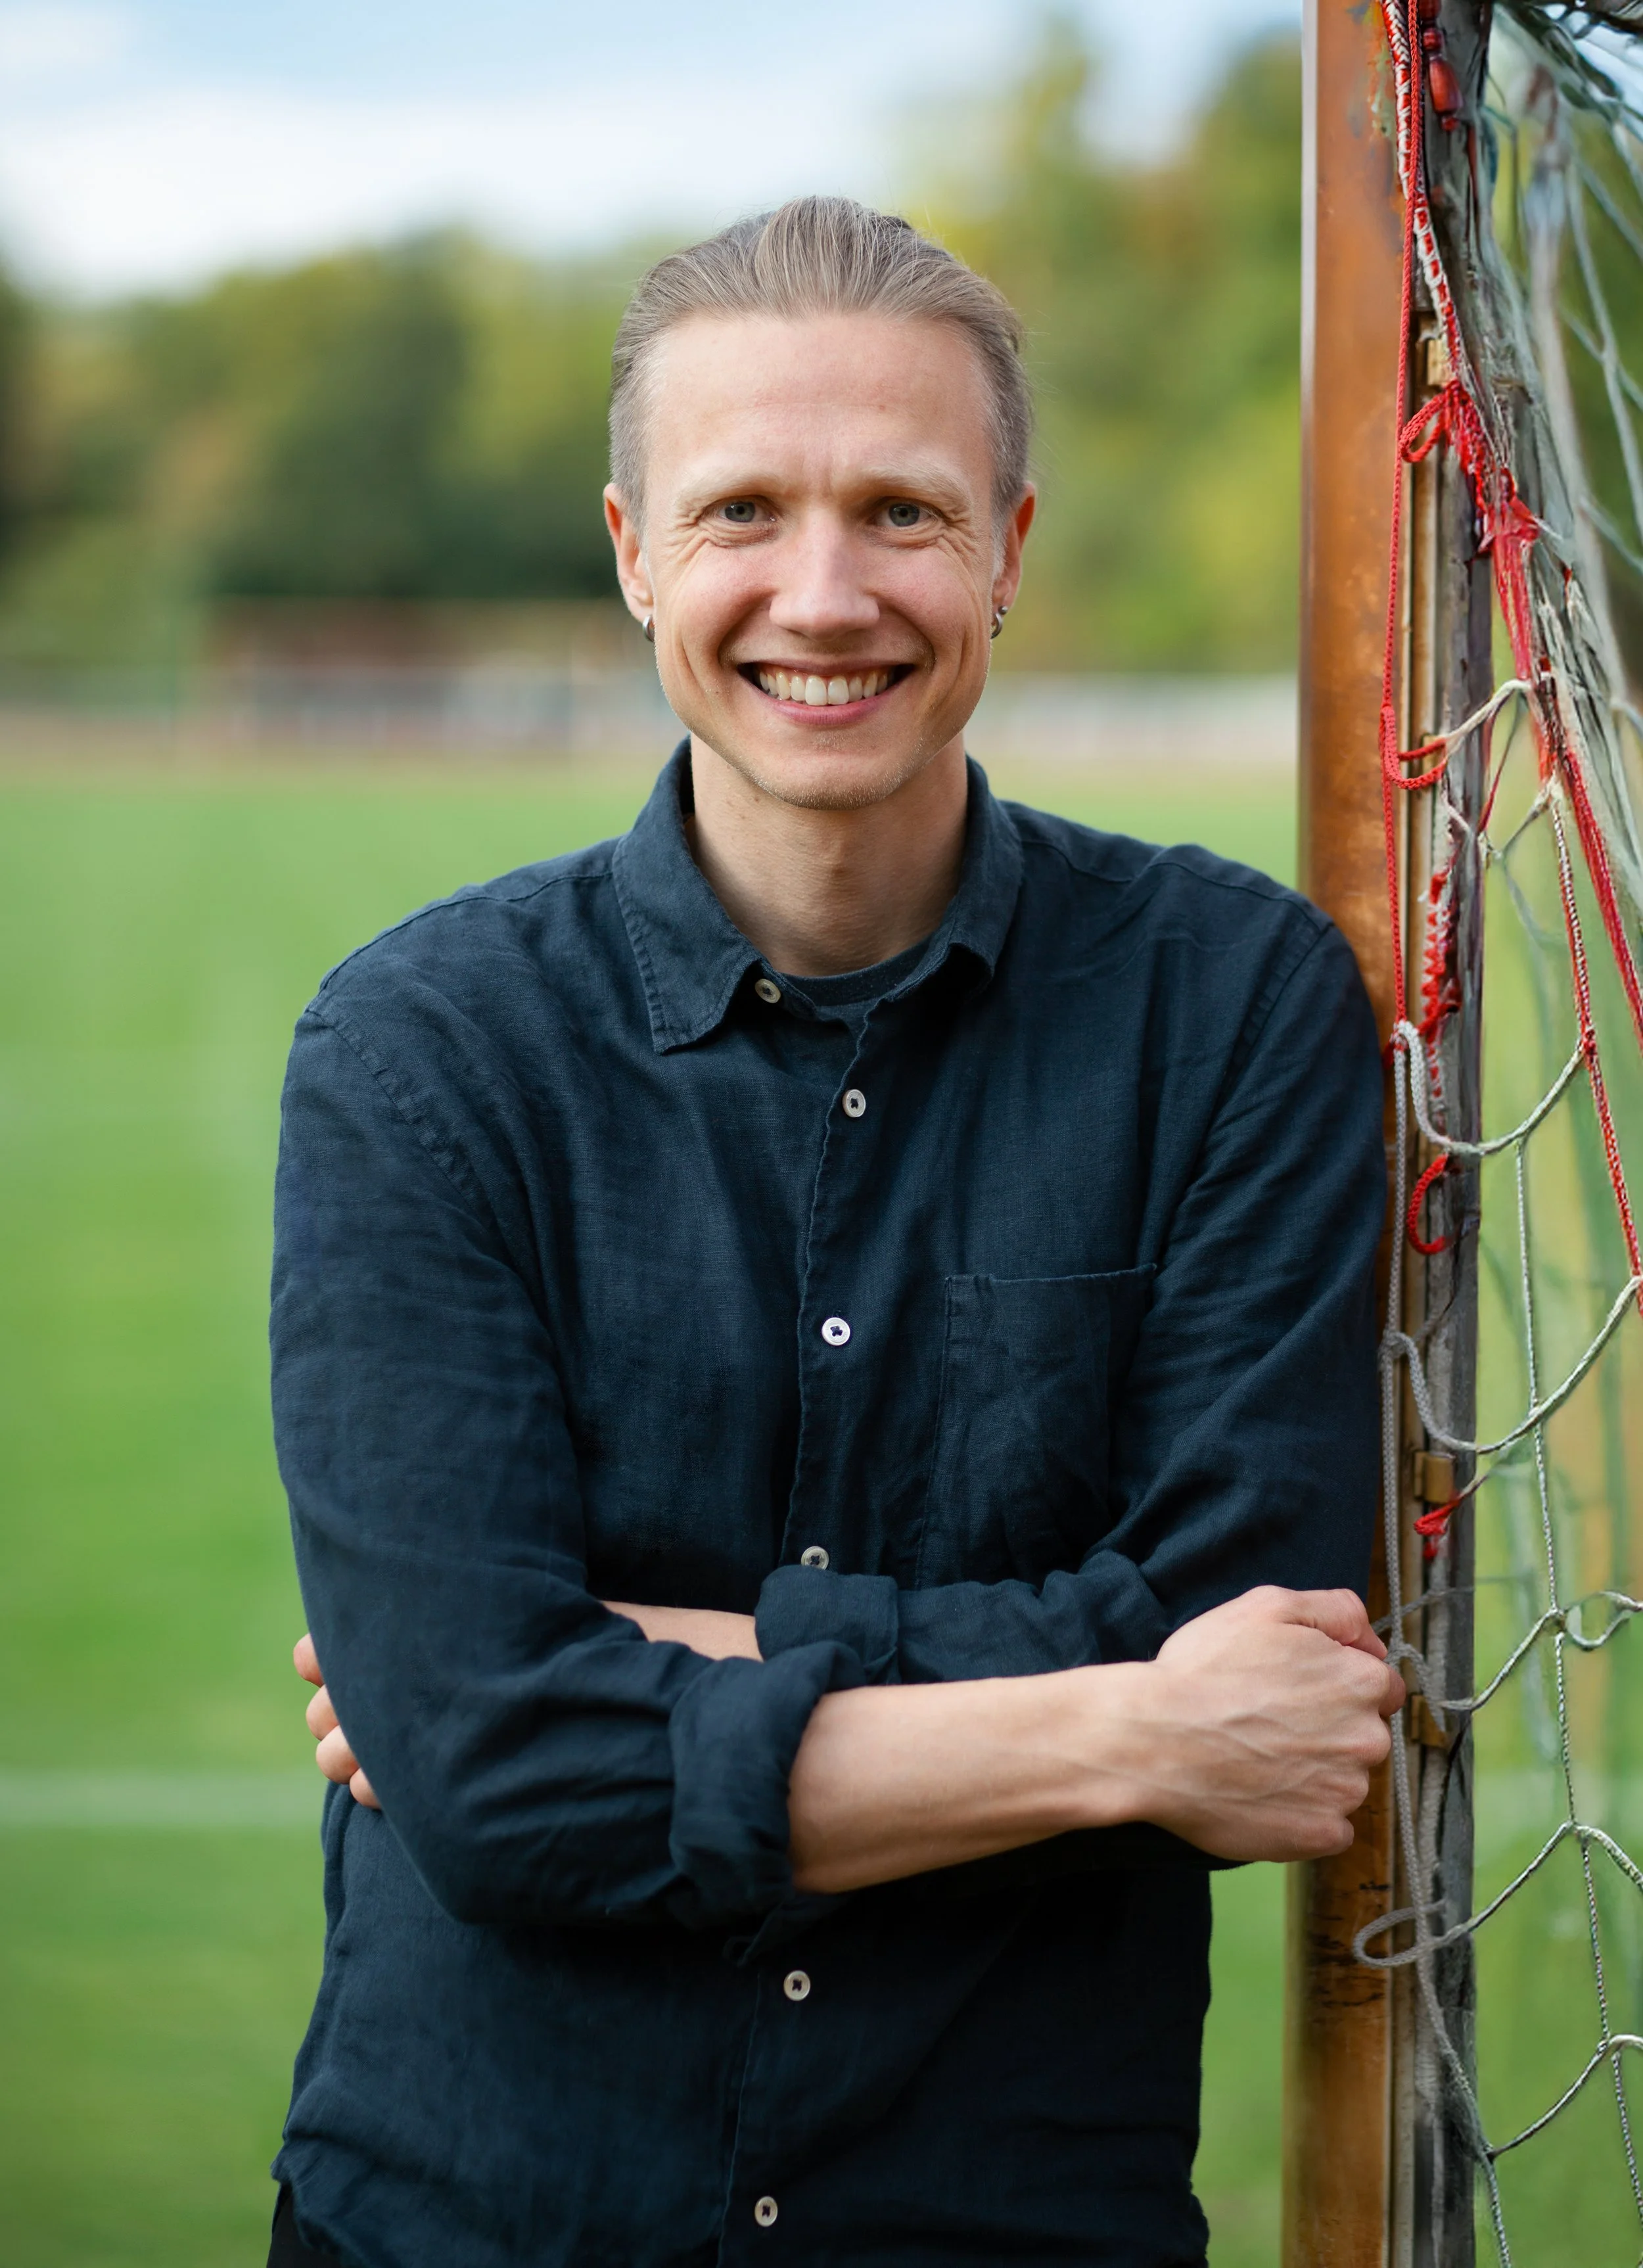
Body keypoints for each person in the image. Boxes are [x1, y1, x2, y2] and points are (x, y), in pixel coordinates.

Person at [267, 197, 1400, 2268]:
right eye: (739, 513)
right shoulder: (418, 1049)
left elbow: (1275, 1661)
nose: (823, 591)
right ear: (629, 555)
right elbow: (493, 1781)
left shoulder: (1231, 1010)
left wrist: (670, 1654)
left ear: (1009, 550)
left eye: (899, 508)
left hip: (1006, 2220)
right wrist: (1123, 1720)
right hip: (478, 2216)